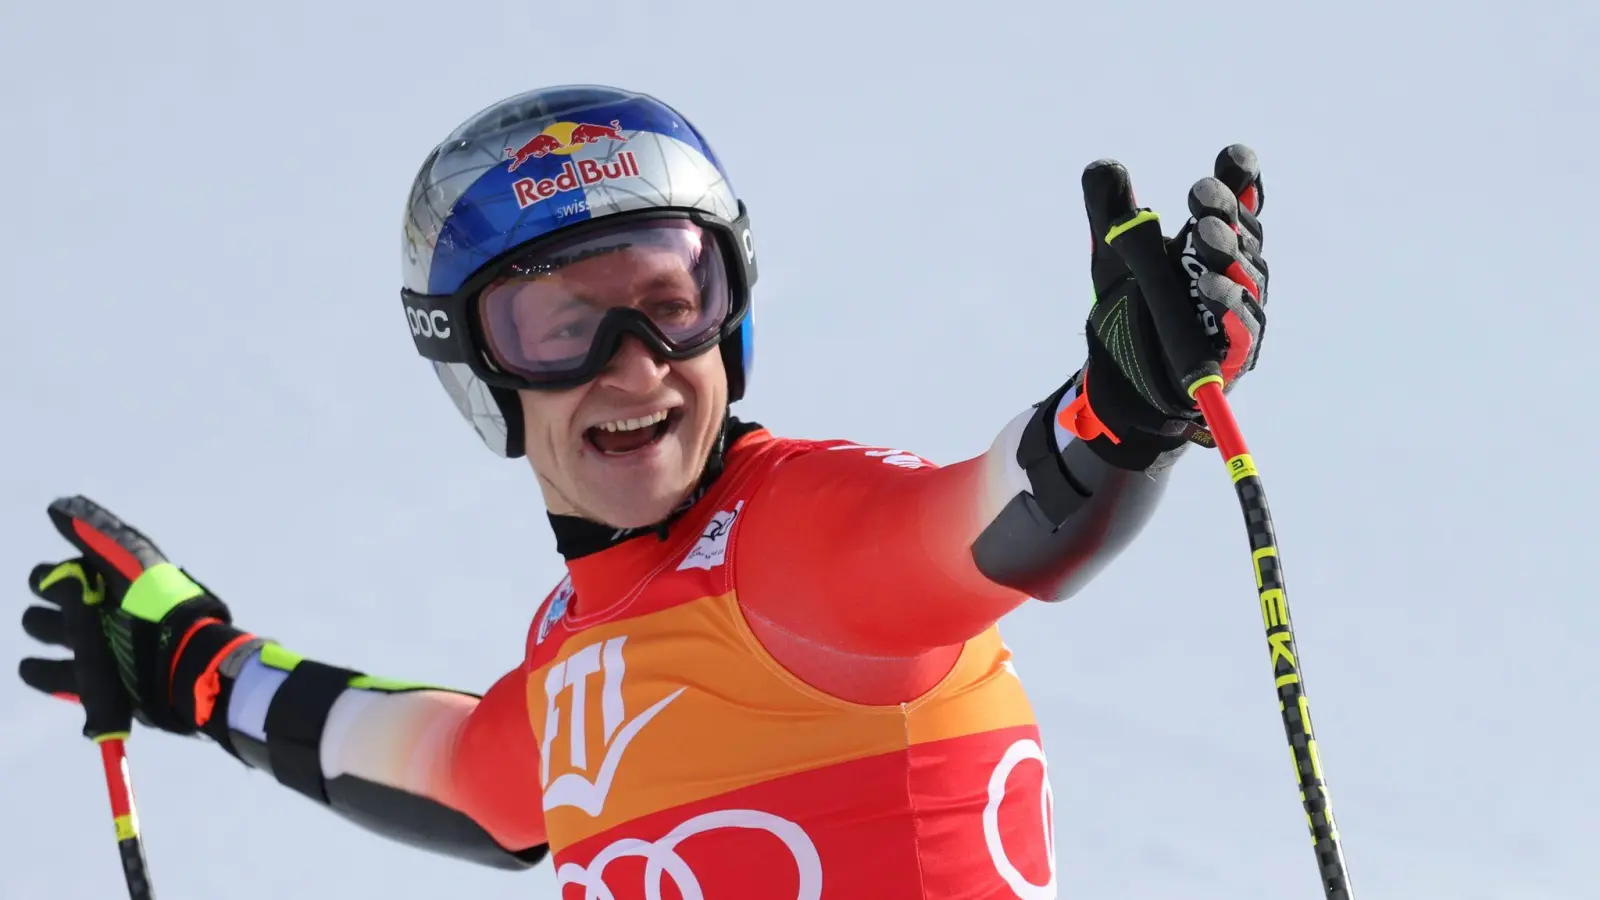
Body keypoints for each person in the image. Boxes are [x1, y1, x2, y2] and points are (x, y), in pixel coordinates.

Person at [17, 84, 1270, 899]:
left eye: (675, 305)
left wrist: (1121, 407)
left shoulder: (796, 538)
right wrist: (203, 670)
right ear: (476, 371)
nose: (634, 365)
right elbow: (464, 775)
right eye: (555, 324)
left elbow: (980, 531)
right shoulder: (580, 649)